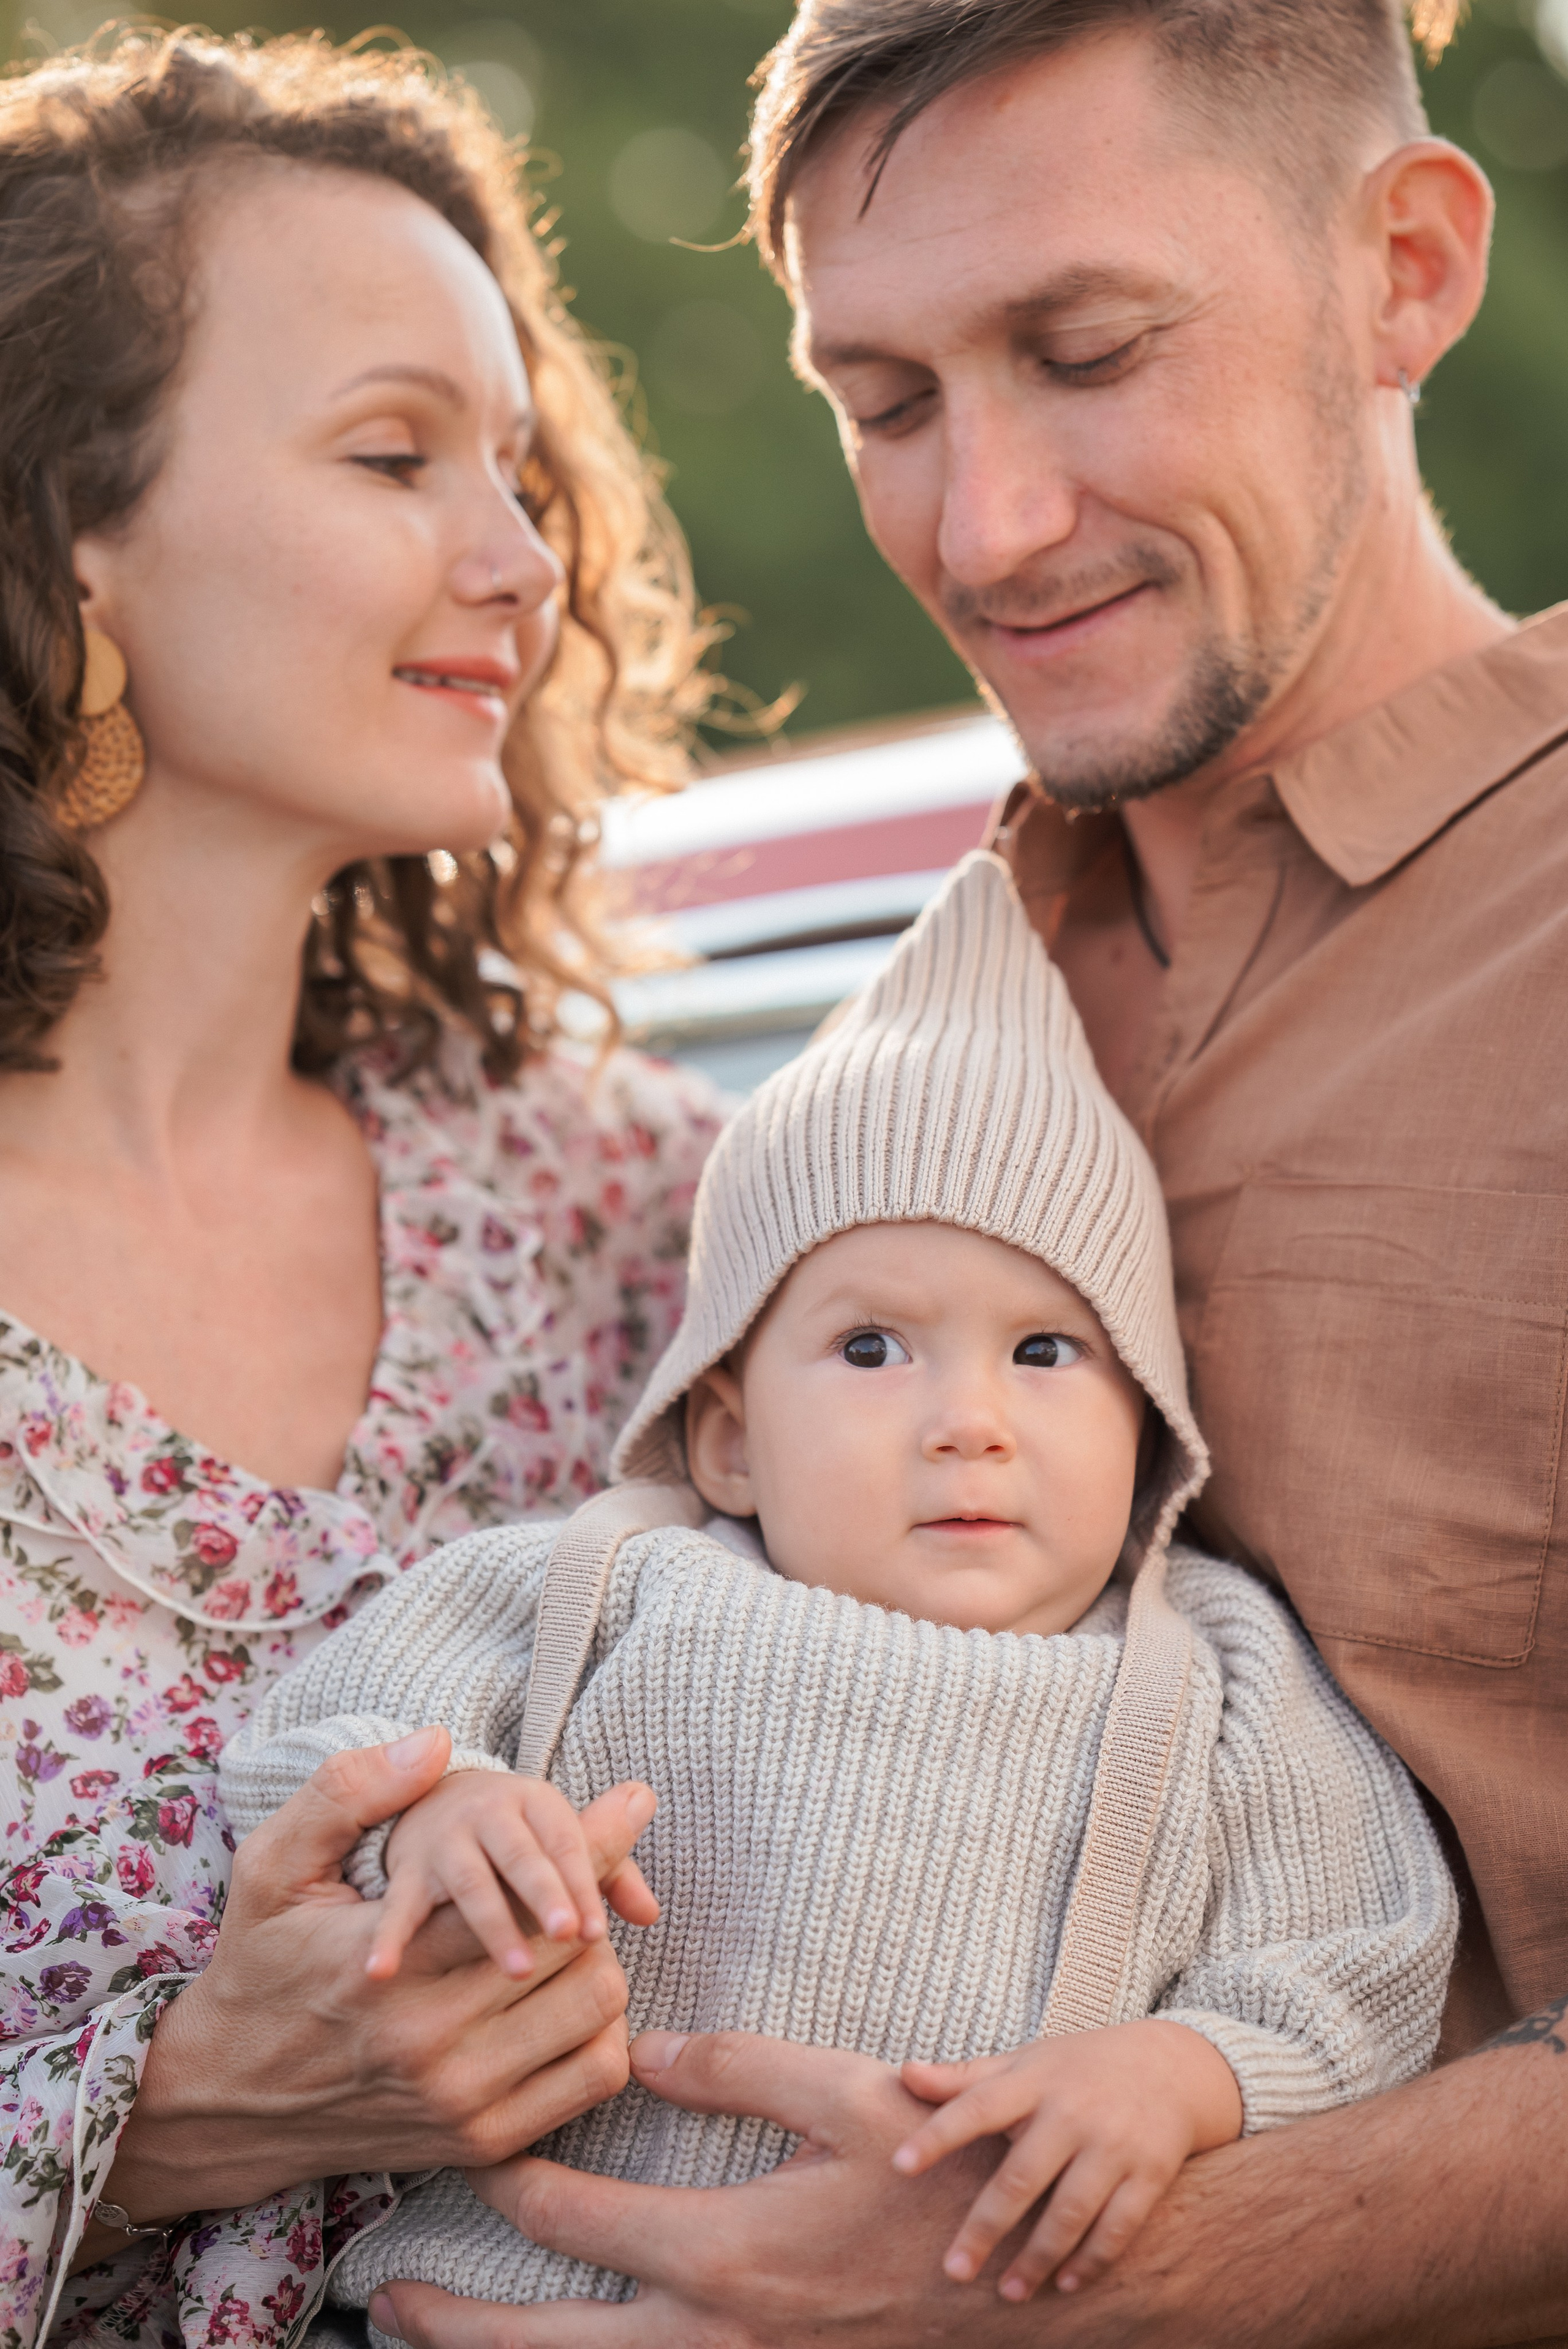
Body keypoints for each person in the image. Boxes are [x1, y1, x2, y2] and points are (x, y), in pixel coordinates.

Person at [363, 2, 1568, 2345]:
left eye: (1091, 348)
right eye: (888, 405)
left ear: (1408, 268)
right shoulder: (911, 1044)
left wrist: (1116, 2271)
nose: (985, 525)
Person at [222, 850, 1453, 2336]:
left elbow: (1354, 1959)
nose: (966, 1418)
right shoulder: (602, 1579)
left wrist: (1179, 2075)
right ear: (730, 1436)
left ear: (1146, 1432)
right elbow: (314, 1737)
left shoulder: (1212, 1671)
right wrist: (445, 1807)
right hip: (483, 2297)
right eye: (874, 1349)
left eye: (1045, 1352)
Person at [0, 29, 725, 2349]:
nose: (519, 565)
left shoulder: (643, 1218)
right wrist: (158, 2113)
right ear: (63, 532)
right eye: (397, 454)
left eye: (519, 471)